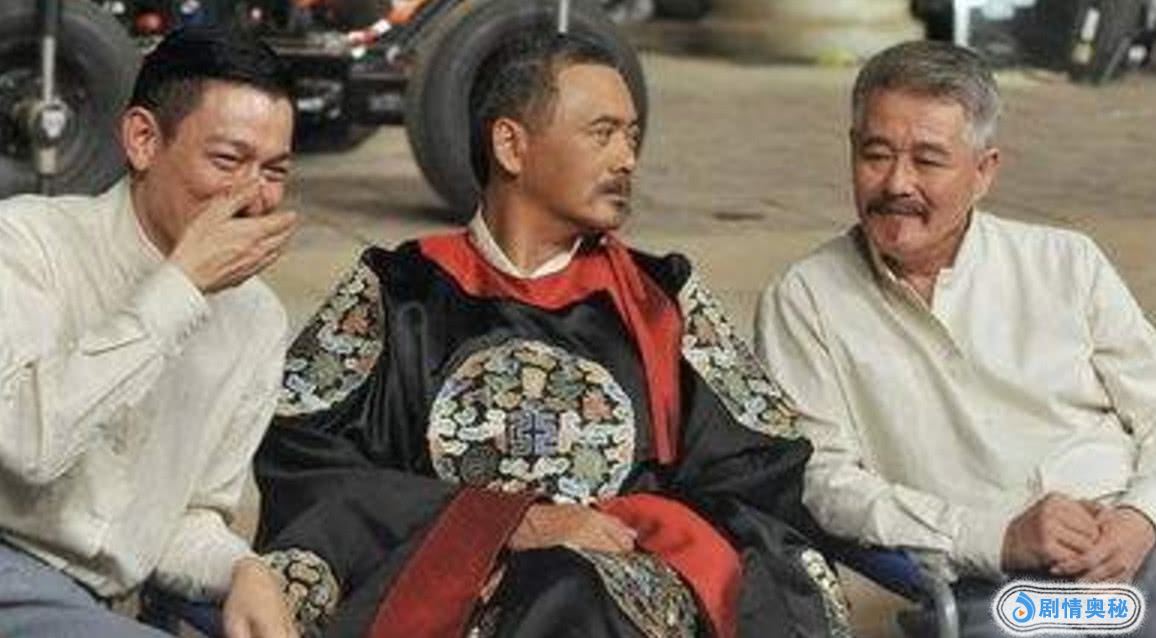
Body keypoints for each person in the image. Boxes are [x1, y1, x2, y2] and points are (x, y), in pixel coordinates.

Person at [254, 25, 850, 638]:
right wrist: (499, 524)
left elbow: (760, 467)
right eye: (603, 133)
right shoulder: (398, 291)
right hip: (443, 592)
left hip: (622, 600)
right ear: (511, 146)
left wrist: (623, 526)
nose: (627, 159)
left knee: (569, 585)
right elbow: (304, 462)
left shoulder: (662, 300)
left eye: (632, 136)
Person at [755, 40, 1156, 636]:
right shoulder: (805, 301)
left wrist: (1140, 516)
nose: (897, 182)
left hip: (1134, 542)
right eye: (876, 155)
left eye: (928, 160)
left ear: (984, 171)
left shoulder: (1066, 262)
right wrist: (997, 537)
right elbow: (824, 484)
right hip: (999, 591)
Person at [0, 25, 300, 638]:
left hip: (101, 602)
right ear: (143, 139)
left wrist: (243, 569)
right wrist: (178, 290)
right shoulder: (27, 243)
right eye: (228, 161)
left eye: (274, 171)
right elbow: (28, 446)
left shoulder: (257, 319)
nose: (254, 196)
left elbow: (185, 521)